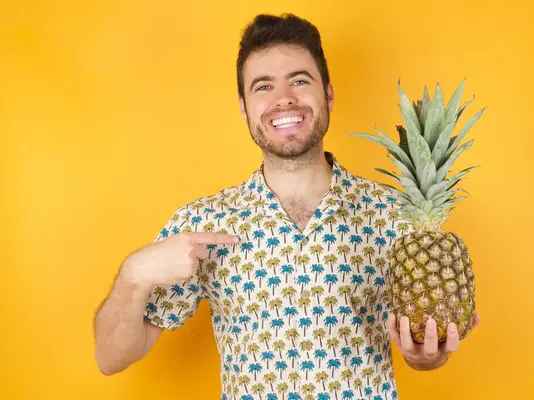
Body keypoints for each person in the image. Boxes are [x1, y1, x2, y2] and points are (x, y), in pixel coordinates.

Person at [94, 12, 479, 399]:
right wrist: (133, 274)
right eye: (263, 86)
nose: (284, 99)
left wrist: (426, 357)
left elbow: (423, 337)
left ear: (328, 93)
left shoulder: (395, 214)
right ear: (244, 107)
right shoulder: (203, 223)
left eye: (299, 80)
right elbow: (111, 358)